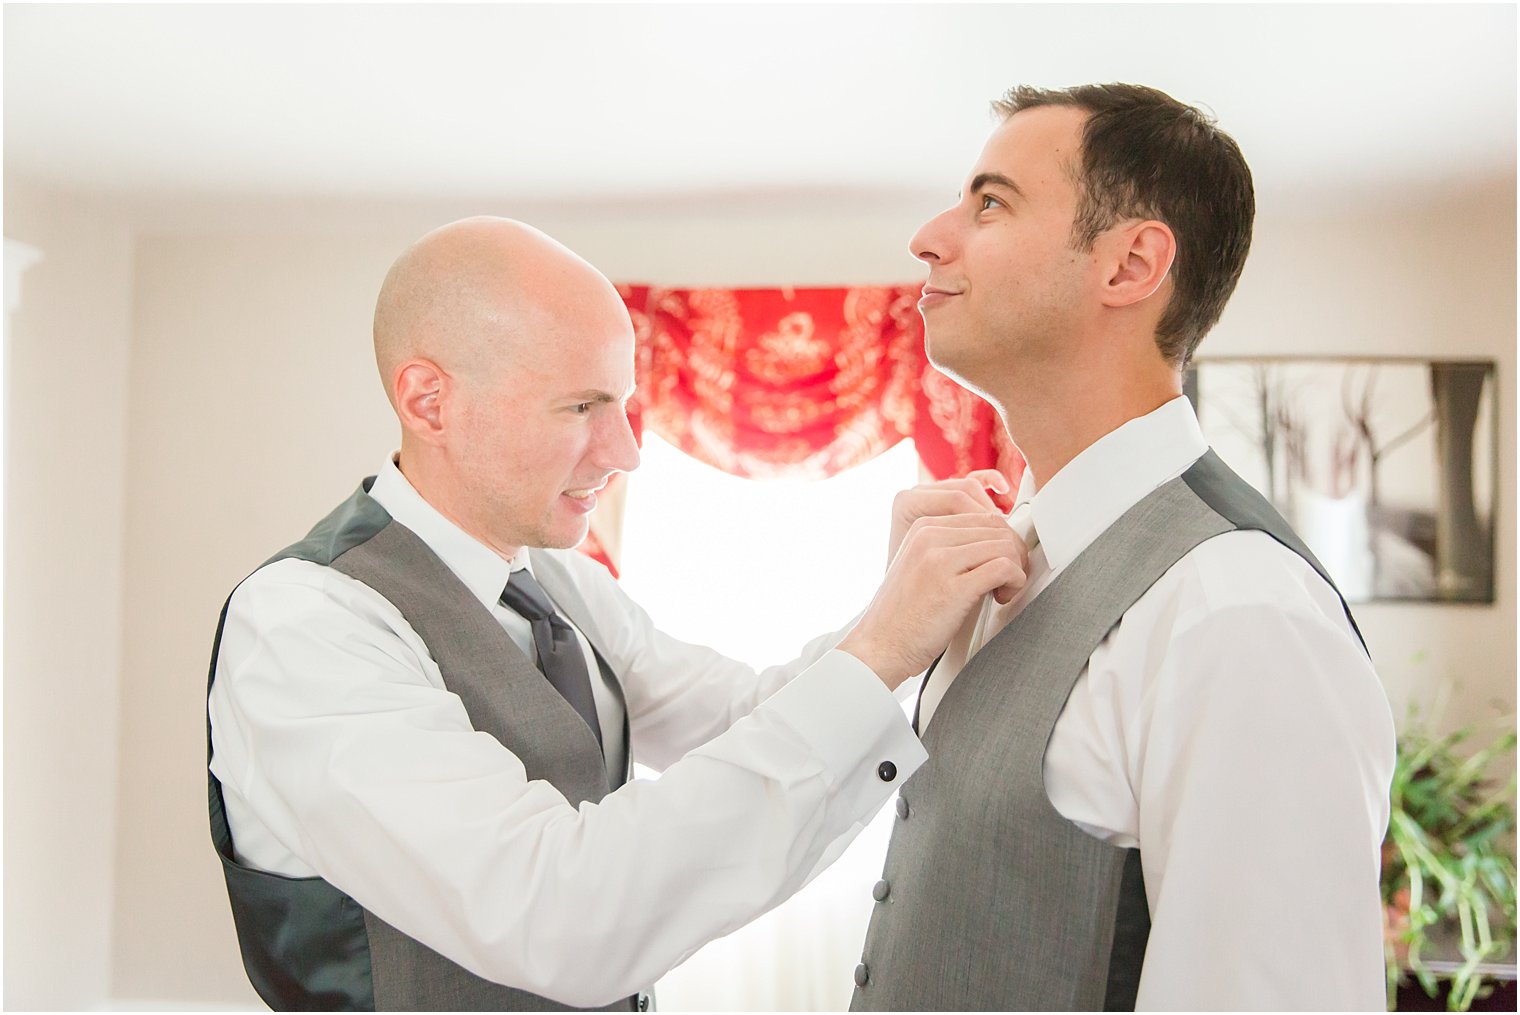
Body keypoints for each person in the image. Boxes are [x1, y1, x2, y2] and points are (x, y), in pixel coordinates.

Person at [206, 216, 1027, 1012]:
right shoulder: (304, 626)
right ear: (428, 402)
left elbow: (738, 717)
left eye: (624, 405)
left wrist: (896, 615)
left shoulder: (559, 580)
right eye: (581, 408)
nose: (626, 451)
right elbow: (555, 916)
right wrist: (881, 646)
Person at [850, 84, 1396, 1011]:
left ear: (1131, 263)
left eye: (990, 202)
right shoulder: (985, 564)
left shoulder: (1236, 610)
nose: (928, 237)